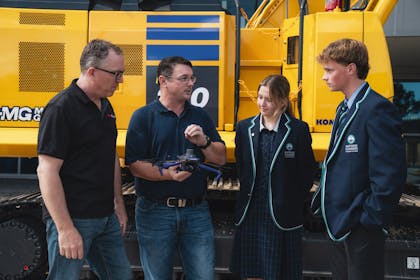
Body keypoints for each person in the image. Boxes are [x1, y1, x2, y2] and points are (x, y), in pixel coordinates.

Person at [311, 38, 406, 280]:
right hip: (341, 224)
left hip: (360, 227)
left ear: (351, 69)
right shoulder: (343, 109)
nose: (324, 77)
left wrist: (368, 219)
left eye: (330, 70)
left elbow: (390, 174)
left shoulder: (376, 109)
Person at [37, 39, 132, 280]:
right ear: (92, 71)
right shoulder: (61, 108)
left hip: (105, 218)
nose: (120, 80)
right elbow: (47, 171)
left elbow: (110, 155)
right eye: (116, 74)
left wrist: (118, 203)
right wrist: (65, 228)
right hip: (74, 218)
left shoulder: (106, 106)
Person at [125, 56, 226, 279]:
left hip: (196, 211)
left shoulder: (200, 116)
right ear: (163, 81)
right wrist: (166, 174)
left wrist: (203, 142)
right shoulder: (143, 117)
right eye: (184, 78)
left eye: (192, 78)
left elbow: (220, 159)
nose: (191, 83)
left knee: (204, 276)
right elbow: (134, 165)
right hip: (155, 212)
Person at [230, 74, 315, 279]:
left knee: (283, 273)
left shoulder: (298, 130)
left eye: (268, 99)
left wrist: (289, 200)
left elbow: (307, 173)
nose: (262, 103)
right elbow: (241, 167)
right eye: (260, 97)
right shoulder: (244, 128)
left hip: (283, 215)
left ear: (283, 101)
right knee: (252, 272)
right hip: (251, 213)